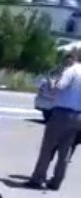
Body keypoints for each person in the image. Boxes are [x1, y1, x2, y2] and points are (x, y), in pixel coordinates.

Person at [28, 47, 81, 190]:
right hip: (78, 117)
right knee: (66, 150)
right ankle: (56, 182)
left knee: (48, 147)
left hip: (62, 113)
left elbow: (59, 87)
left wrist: (52, 83)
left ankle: (38, 178)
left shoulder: (72, 71)